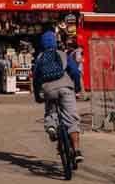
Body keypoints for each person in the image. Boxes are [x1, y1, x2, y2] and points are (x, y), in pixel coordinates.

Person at [33, 30, 83, 164]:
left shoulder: (40, 58)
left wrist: (38, 95)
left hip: (48, 90)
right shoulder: (63, 54)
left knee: (51, 111)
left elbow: (36, 79)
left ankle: (51, 127)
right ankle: (77, 151)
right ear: (55, 42)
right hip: (66, 88)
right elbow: (75, 73)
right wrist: (77, 89)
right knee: (72, 119)